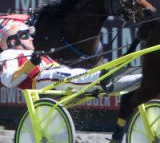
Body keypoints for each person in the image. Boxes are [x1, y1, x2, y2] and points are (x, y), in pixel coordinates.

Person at [0, 21, 141, 93]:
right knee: (70, 75)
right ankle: (109, 78)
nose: (31, 38)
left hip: (52, 76)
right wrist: (31, 63)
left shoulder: (35, 52)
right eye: (25, 35)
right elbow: (9, 81)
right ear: (12, 41)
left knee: (76, 73)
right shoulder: (7, 55)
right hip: (39, 80)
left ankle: (137, 79)